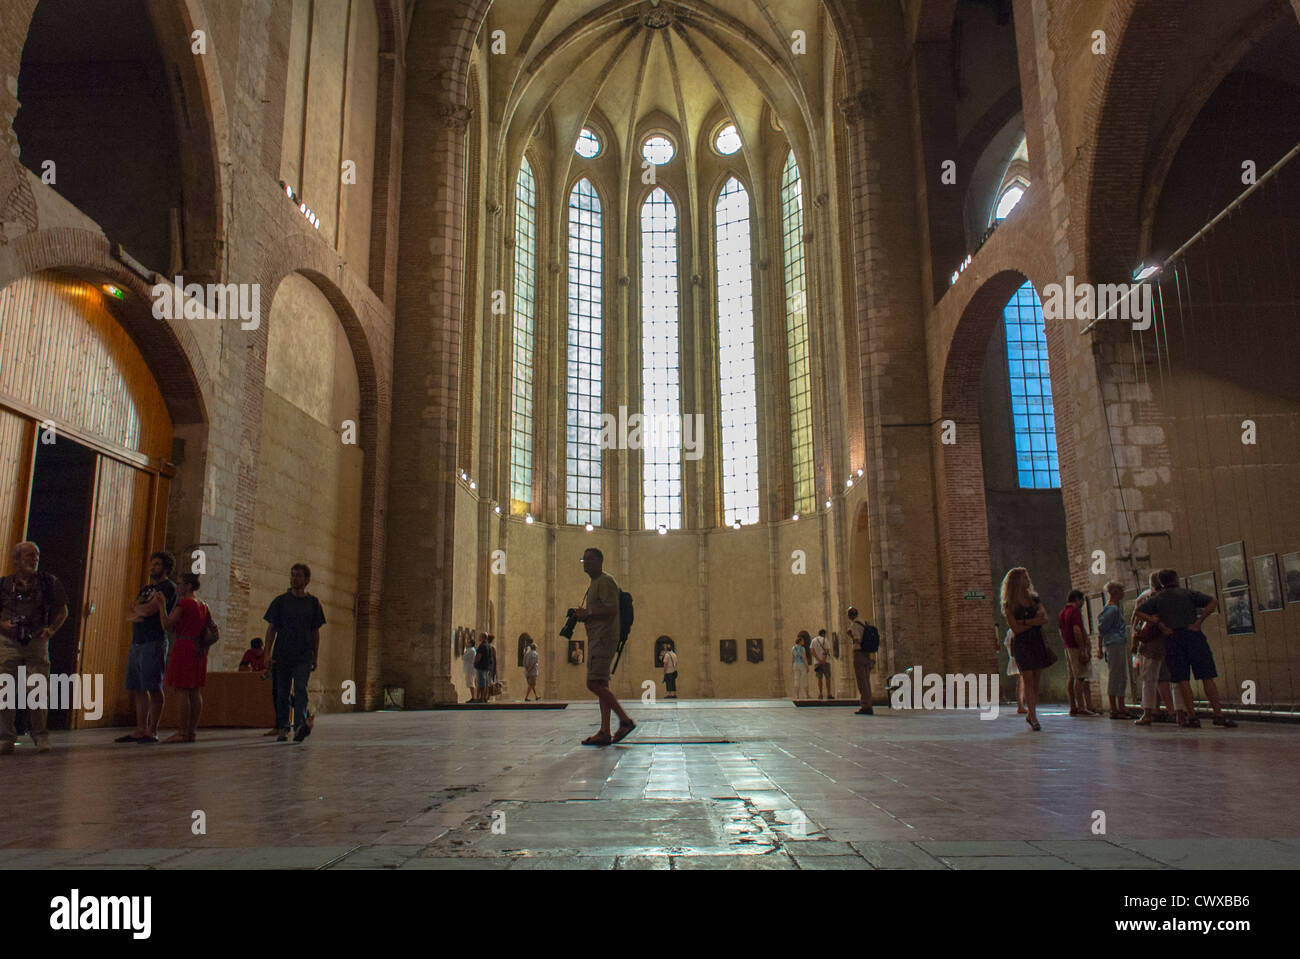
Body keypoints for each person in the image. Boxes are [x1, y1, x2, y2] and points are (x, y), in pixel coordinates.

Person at [1136, 568, 1236, 729]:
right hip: (1193, 635)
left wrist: (1159, 624)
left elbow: (1139, 612)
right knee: (1207, 676)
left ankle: (1192, 716)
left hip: (1173, 638)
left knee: (1182, 679)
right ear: (1176, 579)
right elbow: (1213, 602)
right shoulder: (1188, 594)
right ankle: (1218, 714)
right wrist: (1199, 621)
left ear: (1161, 582)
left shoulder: (1158, 598)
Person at [0, 542, 69, 755]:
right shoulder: (3, 584)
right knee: (4, 689)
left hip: (36, 641)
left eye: (36, 555)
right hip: (7, 642)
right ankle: (5, 738)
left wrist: (51, 630)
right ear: (16, 559)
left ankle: (40, 736)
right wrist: (3, 626)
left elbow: (62, 610)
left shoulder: (48, 582)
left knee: (38, 689)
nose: (34, 559)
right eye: (29, 555)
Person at [574, 547, 634, 745]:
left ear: (600, 561)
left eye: (590, 559)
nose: (587, 563)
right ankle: (605, 731)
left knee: (593, 684)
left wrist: (588, 613)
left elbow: (611, 609)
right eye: (585, 559)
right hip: (598, 638)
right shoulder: (595, 583)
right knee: (601, 684)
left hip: (604, 638)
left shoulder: (605, 581)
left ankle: (624, 720)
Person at [118, 551, 178, 744]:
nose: (153, 567)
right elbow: (130, 611)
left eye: (157, 564)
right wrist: (137, 611)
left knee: (153, 685)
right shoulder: (147, 589)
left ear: (166, 568)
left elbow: (150, 610)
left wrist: (138, 610)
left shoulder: (168, 588)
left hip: (154, 641)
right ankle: (140, 728)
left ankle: (152, 730)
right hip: (137, 641)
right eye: (152, 564)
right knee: (138, 687)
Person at [263, 563, 325, 742]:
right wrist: (267, 653)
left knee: (300, 689)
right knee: (282, 691)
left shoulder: (313, 603)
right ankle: (283, 725)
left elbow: (315, 632)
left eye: (298, 576)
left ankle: (299, 724)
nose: (294, 579)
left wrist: (316, 656)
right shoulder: (280, 601)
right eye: (292, 575)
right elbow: (272, 629)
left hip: (303, 655)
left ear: (307, 580)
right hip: (282, 653)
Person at [160, 573, 210, 743]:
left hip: (184, 647)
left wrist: (161, 606)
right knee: (195, 691)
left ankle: (181, 732)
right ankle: (191, 732)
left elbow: (167, 624)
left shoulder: (184, 603)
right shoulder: (203, 605)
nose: (177, 587)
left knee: (182, 690)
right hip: (199, 649)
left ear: (188, 586)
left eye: (180, 584)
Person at [1002, 567, 1052, 731]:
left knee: (1036, 681)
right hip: (1022, 644)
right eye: (1025, 577)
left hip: (1037, 641)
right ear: (1017, 581)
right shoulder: (1010, 604)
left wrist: (1024, 622)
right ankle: (1034, 717)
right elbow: (1015, 629)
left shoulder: (1034, 599)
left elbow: (1044, 618)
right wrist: (1032, 621)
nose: (1028, 580)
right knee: (1028, 678)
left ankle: (1031, 713)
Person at [1132, 572, 1176, 724]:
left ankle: (1150, 712)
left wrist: (1147, 624)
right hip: (1164, 641)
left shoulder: (1145, 597)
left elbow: (1135, 618)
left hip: (1151, 642)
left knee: (1150, 678)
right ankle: (1171, 711)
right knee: (1163, 678)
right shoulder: (1167, 597)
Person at [1096, 581, 1133, 719]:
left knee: (1121, 674)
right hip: (1114, 643)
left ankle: (1120, 705)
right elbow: (1102, 629)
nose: (1123, 594)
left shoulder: (1115, 608)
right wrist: (1100, 648)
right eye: (1121, 591)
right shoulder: (1112, 610)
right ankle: (1114, 707)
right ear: (1115, 592)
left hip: (1118, 642)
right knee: (1116, 674)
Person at [1058, 589, 1098, 716]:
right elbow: (1077, 630)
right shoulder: (1074, 612)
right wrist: (1082, 649)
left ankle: (1073, 706)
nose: (1083, 603)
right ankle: (1081, 706)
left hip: (1067, 646)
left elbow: (1061, 631)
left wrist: (1066, 642)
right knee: (1079, 677)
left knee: (1072, 677)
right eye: (1082, 600)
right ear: (1077, 599)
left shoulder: (1062, 613)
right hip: (1075, 646)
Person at [846, 606, 874, 715]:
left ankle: (866, 706)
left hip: (859, 654)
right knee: (866, 680)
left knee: (861, 681)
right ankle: (869, 704)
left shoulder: (854, 625)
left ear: (849, 616)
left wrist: (851, 636)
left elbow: (858, 639)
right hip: (867, 654)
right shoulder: (864, 623)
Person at [1003, 627, 1026, 713]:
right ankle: (1021, 705)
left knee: (1021, 681)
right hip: (1018, 658)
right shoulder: (1014, 630)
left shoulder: (1010, 631)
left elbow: (1007, 644)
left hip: (1016, 657)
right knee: (1021, 681)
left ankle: (1022, 704)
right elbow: (1012, 645)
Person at [810, 628, 833, 699]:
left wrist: (818, 660)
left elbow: (812, 651)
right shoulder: (825, 640)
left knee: (819, 678)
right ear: (824, 634)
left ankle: (820, 694)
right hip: (825, 662)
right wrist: (823, 660)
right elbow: (827, 650)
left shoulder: (813, 640)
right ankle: (829, 694)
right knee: (827, 677)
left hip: (817, 662)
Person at [473, 632, 495, 702]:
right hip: (487, 667)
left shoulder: (482, 646)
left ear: (483, 637)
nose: (478, 638)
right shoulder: (489, 646)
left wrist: (475, 662)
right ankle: (484, 697)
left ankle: (480, 698)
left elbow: (479, 656)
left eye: (480, 636)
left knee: (480, 683)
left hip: (481, 667)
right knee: (485, 683)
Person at [791, 631, 811, 699]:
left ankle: (797, 695)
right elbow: (804, 658)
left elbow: (792, 658)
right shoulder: (802, 648)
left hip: (795, 664)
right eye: (803, 641)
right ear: (800, 642)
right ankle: (806, 695)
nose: (804, 642)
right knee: (805, 679)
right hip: (802, 664)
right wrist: (807, 666)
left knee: (796, 680)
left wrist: (792, 666)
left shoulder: (793, 648)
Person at [522, 635, 540, 701]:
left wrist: (526, 669)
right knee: (531, 685)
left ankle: (536, 696)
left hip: (527, 672)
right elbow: (534, 663)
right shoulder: (535, 654)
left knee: (532, 684)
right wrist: (530, 669)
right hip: (532, 672)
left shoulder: (527, 653)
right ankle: (526, 697)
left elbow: (524, 662)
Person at [462, 635, 479, 702]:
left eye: (468, 642)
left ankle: (473, 697)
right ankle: (473, 697)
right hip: (469, 669)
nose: (466, 643)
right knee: (470, 683)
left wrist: (464, 650)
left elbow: (464, 657)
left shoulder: (471, 650)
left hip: (470, 669)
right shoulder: (470, 650)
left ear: (471, 644)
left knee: (471, 683)